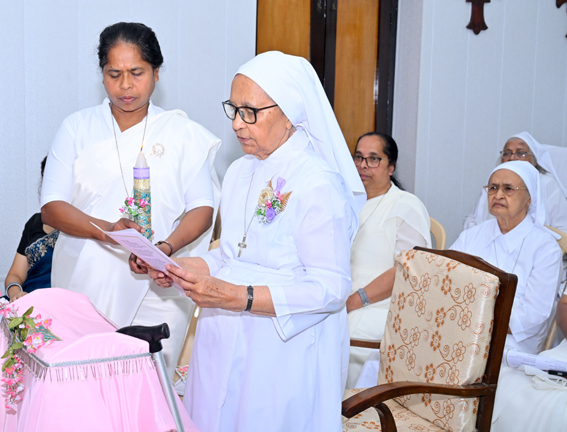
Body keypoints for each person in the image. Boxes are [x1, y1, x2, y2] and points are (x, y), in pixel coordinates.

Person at [148, 51, 365, 432]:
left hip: (283, 347)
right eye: (233, 109)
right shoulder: (239, 171)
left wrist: (240, 297)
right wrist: (182, 268)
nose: (236, 123)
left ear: (289, 113)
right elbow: (231, 256)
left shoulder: (318, 183)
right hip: (224, 332)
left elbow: (330, 288)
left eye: (250, 112)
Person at [40, 22, 220, 376]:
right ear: (102, 75)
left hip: (160, 286)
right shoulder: (76, 128)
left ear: (156, 72)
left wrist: (163, 250)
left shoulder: (183, 134)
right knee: (85, 383)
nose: (125, 85)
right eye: (114, 74)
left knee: (148, 386)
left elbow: (202, 207)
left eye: (136, 73)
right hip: (85, 282)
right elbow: (52, 207)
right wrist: (110, 232)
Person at [344, 132, 431, 388]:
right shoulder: (345, 201)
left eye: (373, 159)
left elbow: (407, 270)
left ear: (391, 167)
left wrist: (356, 300)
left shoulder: (406, 206)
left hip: (382, 306)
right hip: (342, 298)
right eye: (358, 157)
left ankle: (347, 405)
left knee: (344, 331)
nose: (363, 165)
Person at [452, 161, 562, 354]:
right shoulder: (471, 236)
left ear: (529, 198)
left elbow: (533, 316)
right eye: (493, 188)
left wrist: (477, 320)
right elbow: (447, 281)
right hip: (462, 329)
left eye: (508, 189)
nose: (498, 195)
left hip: (510, 344)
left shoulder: (545, 248)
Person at [464, 132, 567, 232]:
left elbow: (562, 228)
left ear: (535, 160)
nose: (512, 158)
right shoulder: (494, 181)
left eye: (521, 153)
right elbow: (473, 219)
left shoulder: (547, 184)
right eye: (507, 153)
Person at [5, 157, 59, 302]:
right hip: (28, 302)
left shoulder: (85, 228)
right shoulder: (34, 223)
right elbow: (15, 274)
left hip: (61, 305)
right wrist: (16, 293)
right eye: (46, 179)